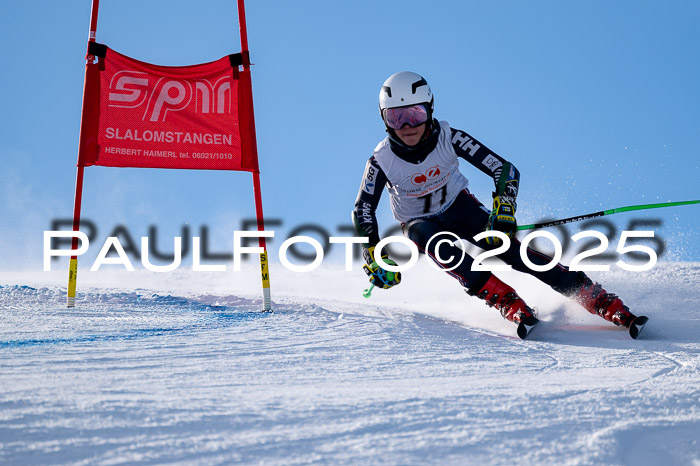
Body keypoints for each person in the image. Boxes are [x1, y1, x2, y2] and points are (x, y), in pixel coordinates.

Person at [352, 71, 647, 339]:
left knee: (516, 253)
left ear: (430, 110)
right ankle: (507, 301)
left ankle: (602, 301)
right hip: (420, 223)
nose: (407, 126)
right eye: (396, 118)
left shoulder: (450, 137)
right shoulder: (381, 161)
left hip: (460, 208)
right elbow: (363, 209)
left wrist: (504, 208)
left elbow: (504, 169)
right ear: (384, 120)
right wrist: (372, 254)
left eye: (415, 115)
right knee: (439, 245)